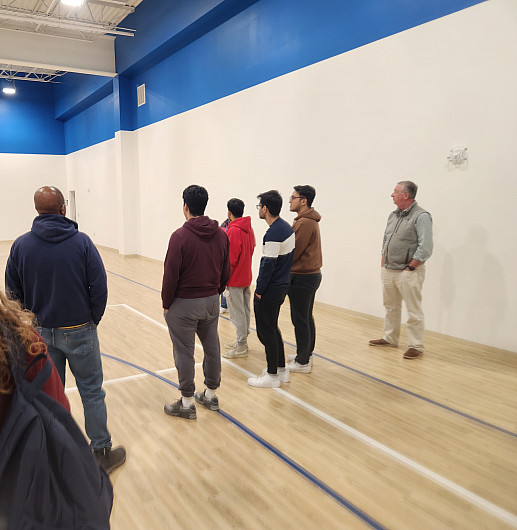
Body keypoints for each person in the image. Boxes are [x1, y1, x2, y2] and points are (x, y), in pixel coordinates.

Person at [5, 186, 126, 473]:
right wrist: (91, 319)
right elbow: (99, 286)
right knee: (92, 393)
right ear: (63, 209)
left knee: (49, 397)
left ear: (37, 211)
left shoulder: (21, 245)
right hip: (80, 330)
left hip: (41, 334)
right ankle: (101, 452)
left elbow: (12, 292)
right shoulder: (82, 243)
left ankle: (57, 457)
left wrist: (30, 322)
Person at [162, 185, 230, 419]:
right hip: (211, 301)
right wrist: (215, 293)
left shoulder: (179, 236)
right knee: (212, 348)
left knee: (184, 352)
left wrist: (166, 303)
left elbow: (170, 274)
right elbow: (225, 270)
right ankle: (210, 395)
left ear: (186, 206)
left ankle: (187, 402)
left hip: (185, 304)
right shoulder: (221, 234)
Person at [369, 181, 433, 359]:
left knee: (413, 310)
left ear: (406, 195)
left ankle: (416, 346)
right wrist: (384, 260)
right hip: (389, 269)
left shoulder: (422, 216)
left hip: (409, 272)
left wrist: (411, 266)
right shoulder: (393, 215)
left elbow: (426, 246)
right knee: (390, 306)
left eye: (395, 192)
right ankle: (390, 338)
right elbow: (386, 239)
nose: (392, 195)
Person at [0, 291, 70, 429]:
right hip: (27, 443)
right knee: (90, 389)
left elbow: (14, 289)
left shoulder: (25, 341)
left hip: (43, 324)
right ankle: (101, 446)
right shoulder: (25, 341)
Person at [248, 190, 295, 388]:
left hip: (271, 289)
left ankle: (272, 376)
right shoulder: (285, 228)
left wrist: (259, 290)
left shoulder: (273, 233)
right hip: (281, 286)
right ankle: (281, 370)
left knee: (266, 332)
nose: (259, 210)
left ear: (265, 208)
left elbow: (268, 265)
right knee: (273, 329)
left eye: (259, 206)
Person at [286, 185, 322, 374]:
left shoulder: (305, 223)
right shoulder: (305, 220)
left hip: (303, 277)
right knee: (305, 317)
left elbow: (294, 251)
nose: (289, 201)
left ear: (303, 201)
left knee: (300, 318)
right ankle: (305, 353)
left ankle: (302, 361)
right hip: (309, 276)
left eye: (292, 197)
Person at [222, 198, 255, 359]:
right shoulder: (249, 228)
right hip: (246, 276)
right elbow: (252, 248)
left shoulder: (233, 230)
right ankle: (242, 341)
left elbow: (231, 259)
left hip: (235, 279)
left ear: (229, 212)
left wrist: (224, 278)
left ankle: (241, 345)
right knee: (245, 311)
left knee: (237, 313)